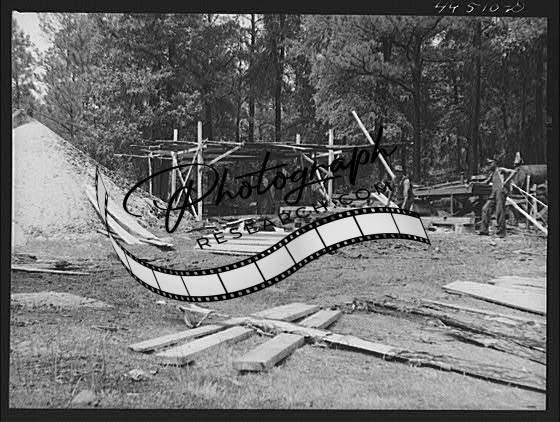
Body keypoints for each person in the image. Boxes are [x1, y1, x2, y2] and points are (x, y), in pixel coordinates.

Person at [479, 159, 508, 237]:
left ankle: (501, 232)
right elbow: (486, 182)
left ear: (495, 163)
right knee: (485, 209)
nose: (489, 165)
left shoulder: (500, 170)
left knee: (499, 211)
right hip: (494, 192)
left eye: (491, 163)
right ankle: (484, 230)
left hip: (500, 192)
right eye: (488, 164)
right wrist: (473, 183)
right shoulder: (492, 173)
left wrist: (505, 182)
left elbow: (513, 172)